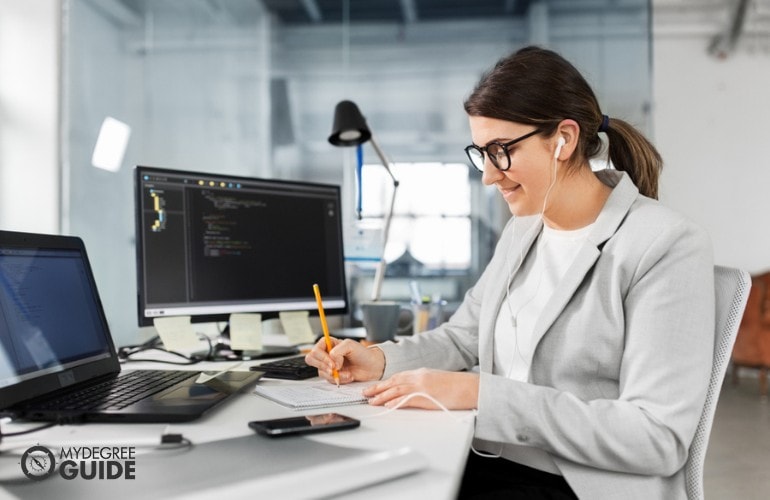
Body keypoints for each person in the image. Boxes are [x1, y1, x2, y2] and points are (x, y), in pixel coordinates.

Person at [305, 46, 714, 500]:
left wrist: (482, 394)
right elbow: (462, 337)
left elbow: (656, 437)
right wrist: (378, 360)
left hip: (575, 483)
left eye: (501, 151)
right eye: (481, 153)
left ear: (564, 138)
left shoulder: (664, 244)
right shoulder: (524, 230)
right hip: (486, 459)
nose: (488, 176)